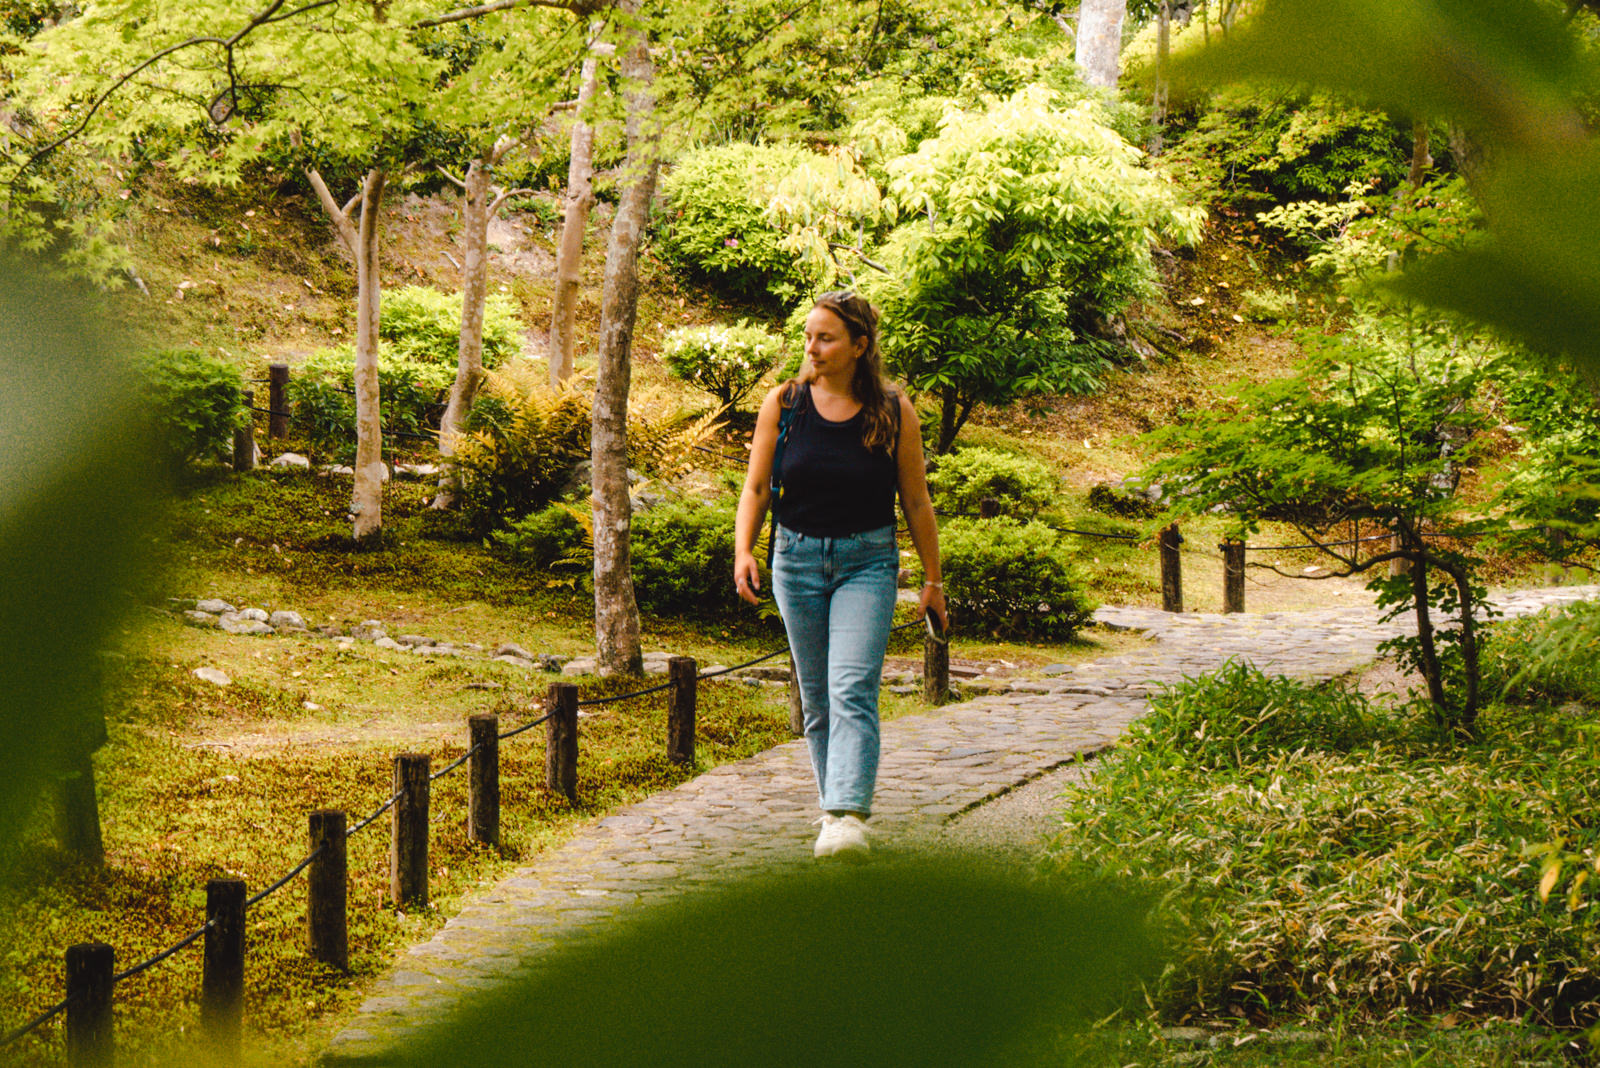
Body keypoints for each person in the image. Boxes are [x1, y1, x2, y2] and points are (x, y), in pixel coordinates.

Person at [734, 290, 946, 858]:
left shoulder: (894, 409)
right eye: (809, 336)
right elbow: (755, 487)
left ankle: (846, 813)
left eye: (825, 338)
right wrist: (744, 550)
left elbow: (917, 500)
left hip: (868, 562)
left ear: (859, 345)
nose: (812, 347)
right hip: (795, 560)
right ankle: (836, 814)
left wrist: (933, 580)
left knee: (852, 687)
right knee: (819, 698)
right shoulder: (785, 403)